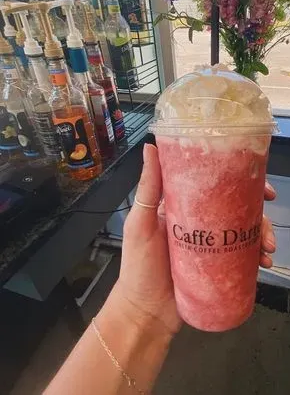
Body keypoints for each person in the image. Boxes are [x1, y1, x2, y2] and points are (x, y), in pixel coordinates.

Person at [44, 143, 276, 394]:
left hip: (215, 300)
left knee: (241, 212)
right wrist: (136, 308)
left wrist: (135, 312)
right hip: (174, 299)